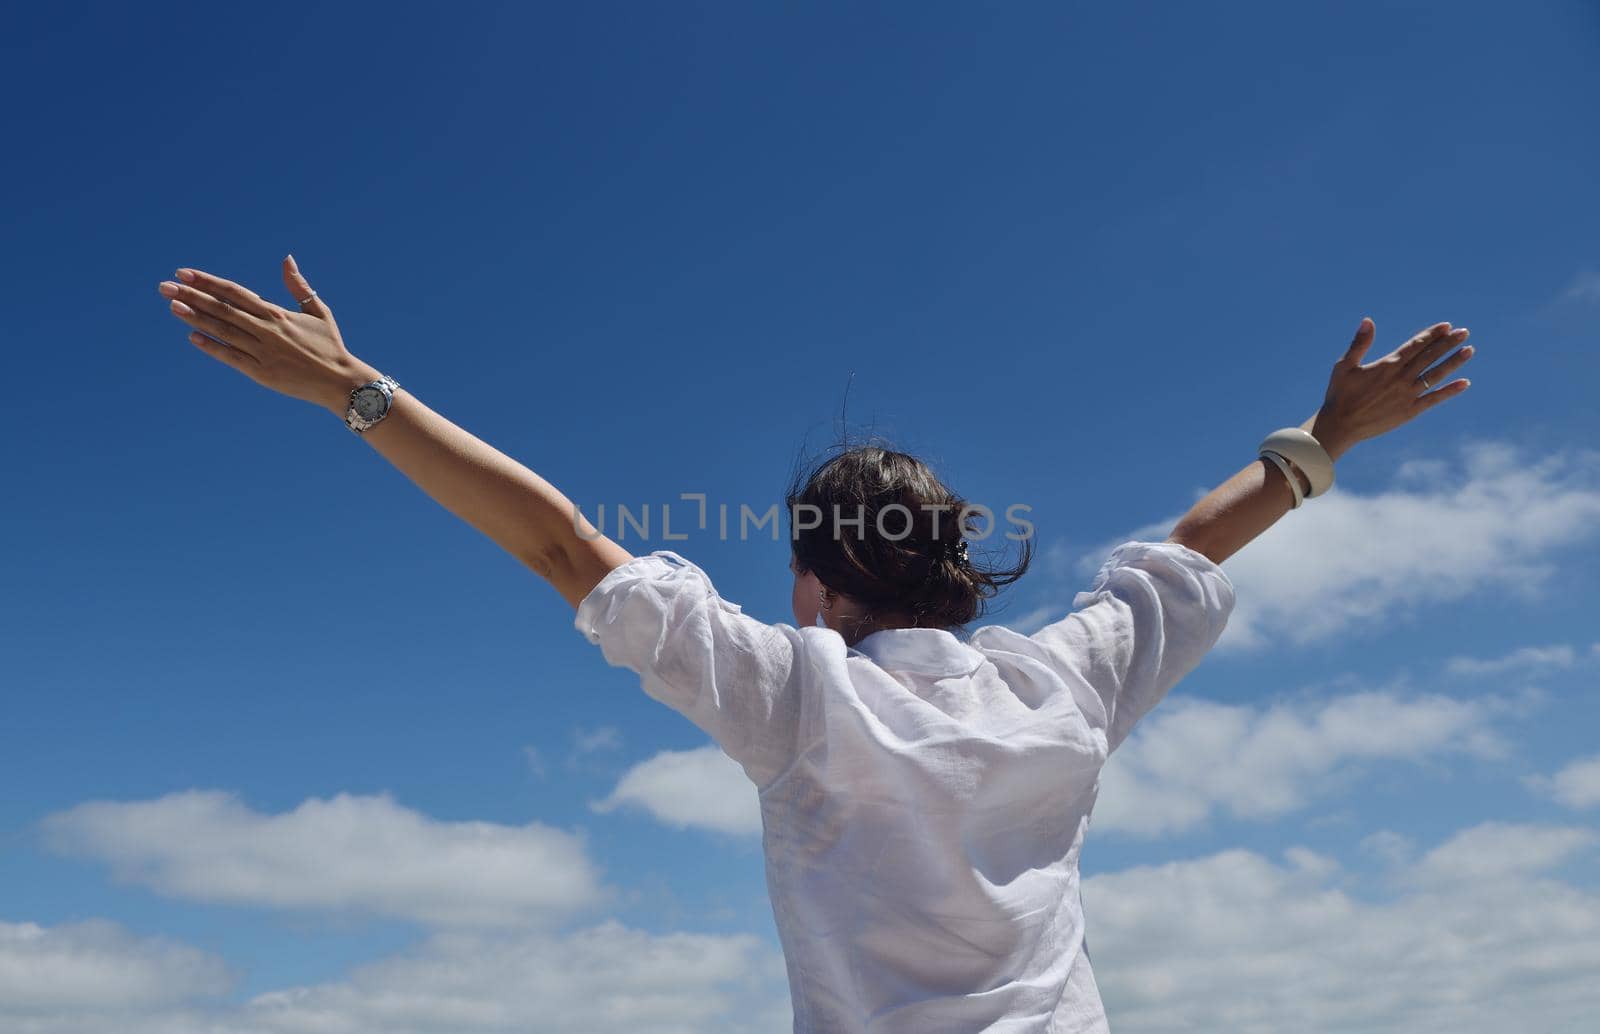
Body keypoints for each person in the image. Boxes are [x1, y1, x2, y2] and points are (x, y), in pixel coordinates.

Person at [156, 256, 1475, 1032]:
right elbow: (1195, 543)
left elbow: (563, 543)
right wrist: (1330, 436)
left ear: (815, 585)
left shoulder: (805, 700)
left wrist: (353, 387)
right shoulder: (1064, 678)